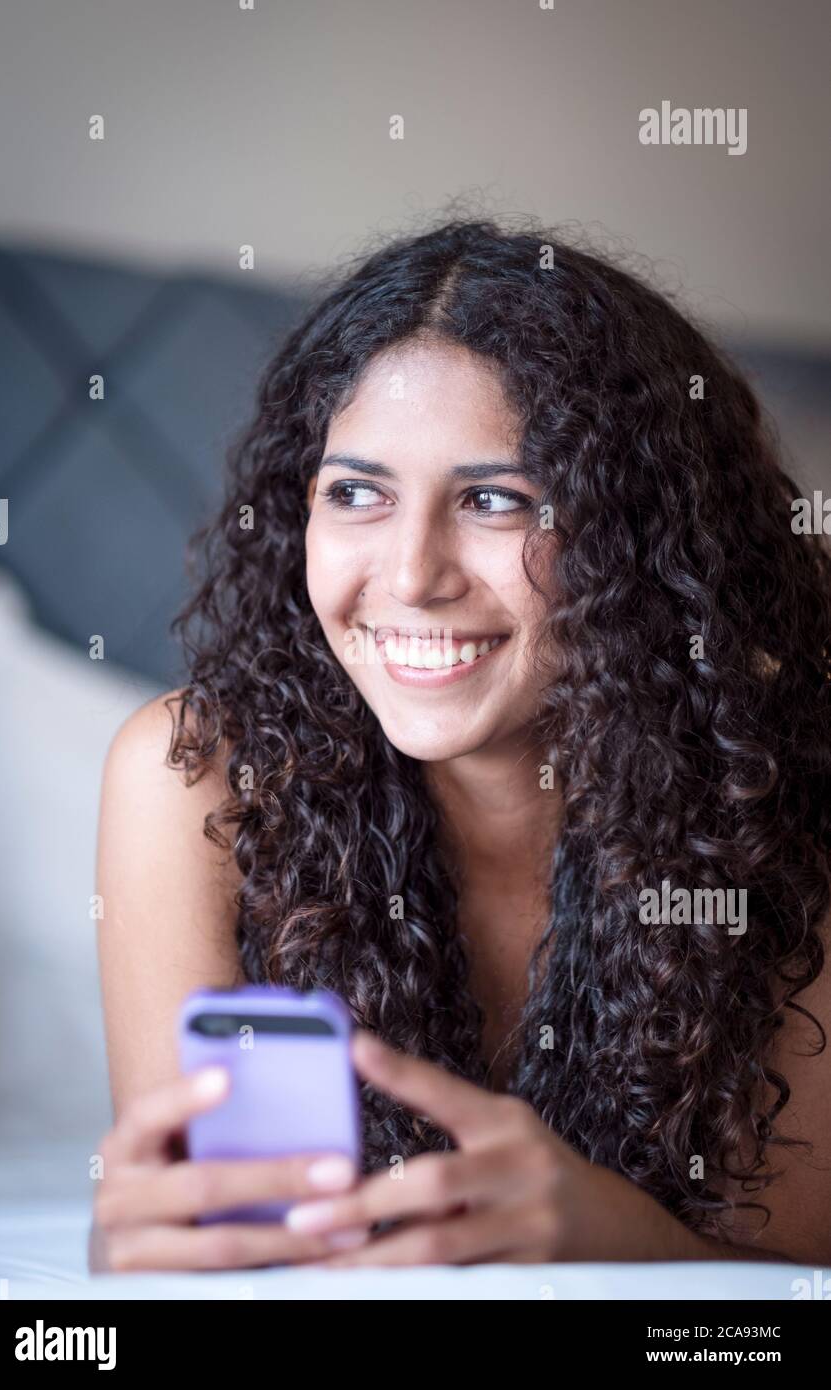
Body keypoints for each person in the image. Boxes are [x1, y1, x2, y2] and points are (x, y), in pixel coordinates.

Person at [89, 219, 831, 1272]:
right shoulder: (192, 777)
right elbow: (203, 1234)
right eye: (356, 492)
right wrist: (153, 1244)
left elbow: (793, 1291)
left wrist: (605, 1236)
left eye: (494, 498)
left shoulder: (790, 790)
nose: (410, 574)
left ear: (641, 535)